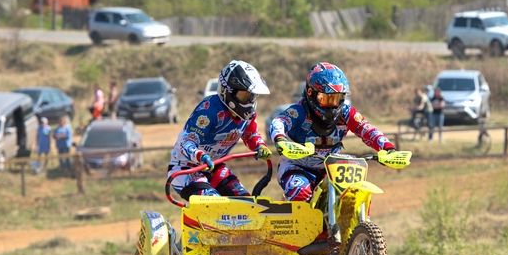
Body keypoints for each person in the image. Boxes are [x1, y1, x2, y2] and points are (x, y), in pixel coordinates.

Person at [268, 62, 397, 202]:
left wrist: (388, 148)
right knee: (301, 194)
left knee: (352, 194)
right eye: (326, 99)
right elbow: (279, 121)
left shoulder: (346, 113)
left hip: (331, 168)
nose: (333, 104)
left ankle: (359, 222)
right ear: (311, 93)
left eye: (337, 98)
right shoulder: (300, 111)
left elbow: (367, 129)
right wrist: (281, 139)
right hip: (298, 167)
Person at [166, 60, 271, 200]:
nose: (250, 101)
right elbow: (186, 142)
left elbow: (250, 134)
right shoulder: (209, 110)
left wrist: (260, 145)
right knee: (214, 204)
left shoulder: (248, 114)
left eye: (252, 96)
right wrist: (200, 156)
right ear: (228, 92)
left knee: (245, 201)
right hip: (186, 169)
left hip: (215, 167)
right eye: (245, 95)